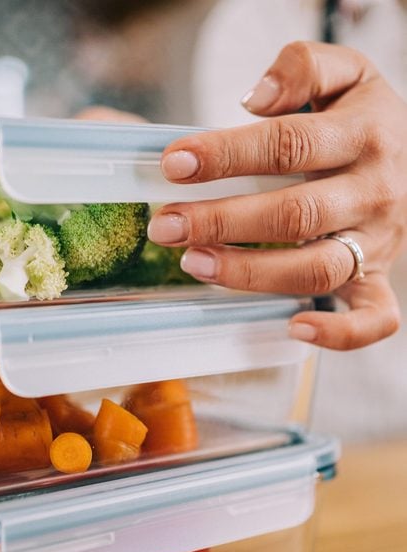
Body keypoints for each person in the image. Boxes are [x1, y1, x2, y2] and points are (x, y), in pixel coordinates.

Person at [145, 40, 407, 352]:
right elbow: (234, 184)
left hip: (376, 379)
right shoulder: (238, 24)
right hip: (236, 360)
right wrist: (140, 169)